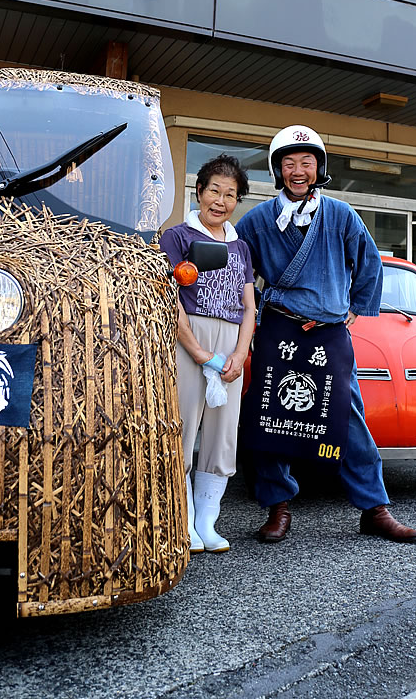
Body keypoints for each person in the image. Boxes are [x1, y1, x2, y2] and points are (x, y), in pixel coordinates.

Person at [235, 125, 416, 544]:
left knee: (348, 417)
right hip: (280, 325)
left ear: (319, 167)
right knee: (271, 416)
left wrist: (356, 308)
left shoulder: (341, 215)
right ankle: (277, 506)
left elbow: (369, 262)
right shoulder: (257, 221)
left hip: (329, 331)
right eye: (288, 163)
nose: (297, 171)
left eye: (306, 162)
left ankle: (374, 508)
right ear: (277, 169)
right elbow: (236, 270)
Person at [160, 154, 256, 553]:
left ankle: (206, 521)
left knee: (221, 435)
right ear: (199, 192)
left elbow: (249, 306)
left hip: (232, 344)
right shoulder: (177, 237)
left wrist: (239, 354)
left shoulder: (242, 247)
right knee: (182, 426)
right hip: (190, 339)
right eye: (214, 190)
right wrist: (201, 352)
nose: (220, 200)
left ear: (237, 202)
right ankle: (181, 520)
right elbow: (170, 299)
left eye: (230, 194)